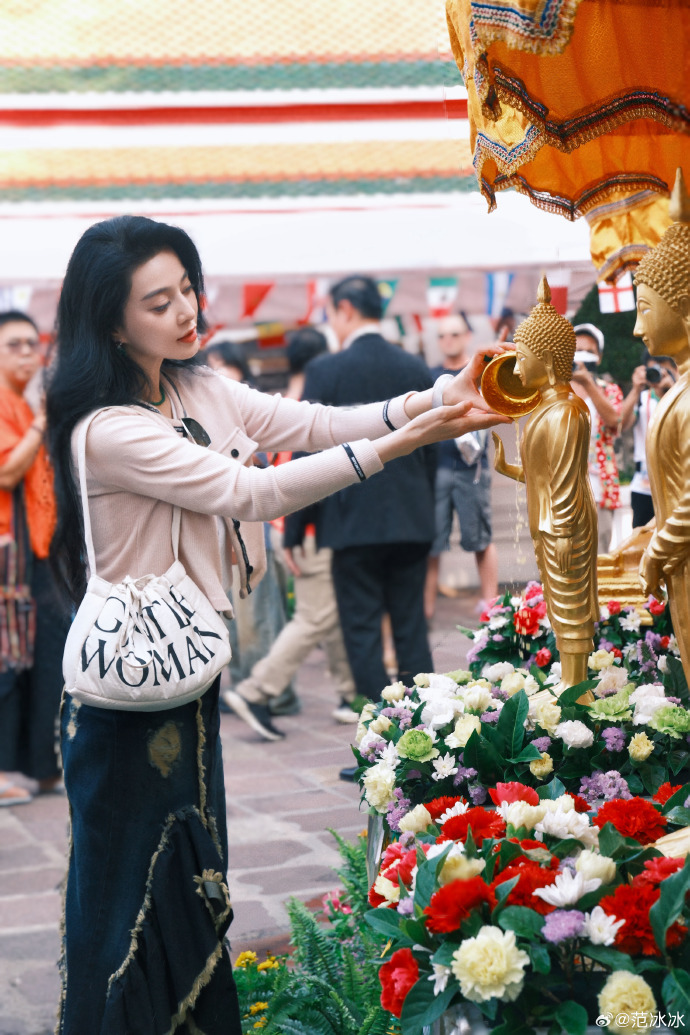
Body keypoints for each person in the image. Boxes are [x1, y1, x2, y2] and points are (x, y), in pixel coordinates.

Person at [45, 216, 506, 1033]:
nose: (186, 310)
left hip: (189, 673)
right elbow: (251, 493)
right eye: (158, 302)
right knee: (126, 897)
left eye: (187, 288)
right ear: (112, 323)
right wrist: (410, 439)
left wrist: (439, 393)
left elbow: (312, 424)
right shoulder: (109, 429)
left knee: (194, 875)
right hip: (128, 697)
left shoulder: (196, 385)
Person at [297, 276, 462, 781]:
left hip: (351, 522)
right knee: (411, 627)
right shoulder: (413, 366)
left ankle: (379, 752)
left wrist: (295, 529)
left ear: (345, 309)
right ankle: (425, 747)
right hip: (410, 517)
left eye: (331, 312)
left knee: (363, 632)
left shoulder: (326, 369)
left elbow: (310, 452)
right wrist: (422, 508)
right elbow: (431, 445)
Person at [225, 327, 358, 736]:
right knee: (313, 615)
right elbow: (311, 477)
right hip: (306, 526)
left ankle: (351, 695)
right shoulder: (317, 404)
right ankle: (257, 690)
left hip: (284, 525)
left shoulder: (282, 403)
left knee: (329, 609)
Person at [493, 279, 598, 693]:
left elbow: (567, 482)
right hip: (550, 525)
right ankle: (572, 684)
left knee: (572, 606)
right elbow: (544, 477)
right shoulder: (545, 410)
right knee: (558, 604)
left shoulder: (567, 412)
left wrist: (563, 531)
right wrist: (509, 468)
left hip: (564, 527)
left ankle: (577, 690)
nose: (517, 371)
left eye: (522, 359)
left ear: (549, 359)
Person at [200, 340, 295, 727]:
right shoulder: (204, 409)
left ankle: (271, 694)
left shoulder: (248, 407)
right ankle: (243, 686)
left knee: (258, 613)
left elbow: (264, 462)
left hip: (253, 527)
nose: (216, 372)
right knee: (235, 615)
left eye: (223, 364)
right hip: (221, 526)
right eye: (211, 365)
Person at [0, 310, 70, 805]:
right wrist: (44, 420)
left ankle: (43, 767)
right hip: (9, 555)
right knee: (9, 662)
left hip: (35, 552)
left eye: (31, 343)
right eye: (13, 345)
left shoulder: (22, 404)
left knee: (45, 659)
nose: (27, 352)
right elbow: (6, 472)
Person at [425, 312, 499, 619]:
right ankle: (425, 611)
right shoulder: (429, 375)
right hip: (437, 466)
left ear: (467, 336)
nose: (448, 340)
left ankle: (492, 608)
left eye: (454, 334)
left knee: (480, 538)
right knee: (431, 543)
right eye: (442, 335)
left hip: (472, 467)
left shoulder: (483, 372)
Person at [570, 322, 623, 554]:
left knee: (599, 552)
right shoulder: (556, 389)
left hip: (599, 483)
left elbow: (614, 420)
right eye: (577, 350)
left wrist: (587, 383)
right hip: (564, 481)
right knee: (566, 553)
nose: (582, 356)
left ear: (598, 357)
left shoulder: (609, 390)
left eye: (589, 351)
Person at [620, 353, 677, 528]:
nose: (659, 374)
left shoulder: (682, 398)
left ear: (676, 369)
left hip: (676, 484)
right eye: (653, 369)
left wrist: (673, 389)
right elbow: (620, 425)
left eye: (664, 369)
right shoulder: (642, 399)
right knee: (641, 537)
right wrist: (636, 389)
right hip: (645, 485)